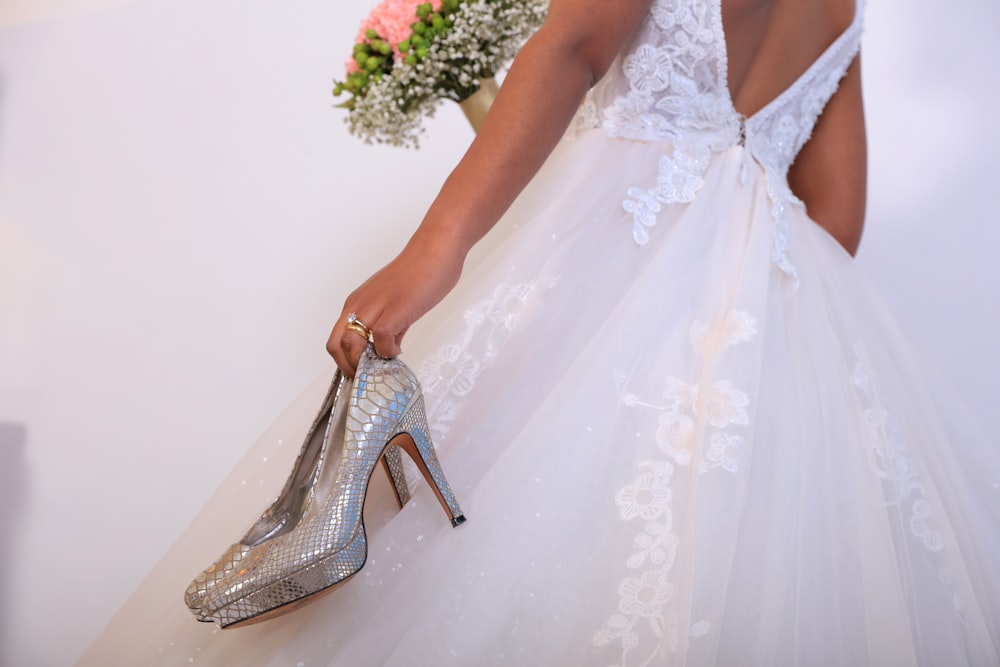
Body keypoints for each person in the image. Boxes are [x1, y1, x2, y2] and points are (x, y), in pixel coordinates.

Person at [81, 0, 1000, 664]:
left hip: (613, 263)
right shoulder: (842, 8)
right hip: (764, 325)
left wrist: (433, 254)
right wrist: (749, 267)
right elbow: (835, 217)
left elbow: (571, 48)